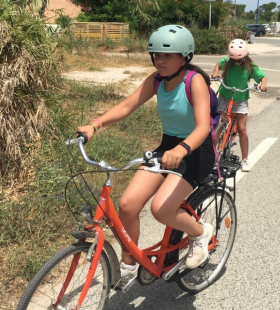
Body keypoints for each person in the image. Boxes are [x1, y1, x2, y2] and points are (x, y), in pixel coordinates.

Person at [77, 25, 215, 286]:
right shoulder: (157, 80)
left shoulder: (193, 80)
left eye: (168, 55)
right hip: (167, 147)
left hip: (196, 151)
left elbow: (202, 128)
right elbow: (127, 105)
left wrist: (182, 149)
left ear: (185, 57)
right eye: (157, 55)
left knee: (161, 210)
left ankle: (199, 232)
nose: (160, 61)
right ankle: (129, 264)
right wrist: (95, 124)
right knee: (128, 205)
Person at [211, 39, 267, 172]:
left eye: (239, 60)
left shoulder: (250, 66)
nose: (236, 62)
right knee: (218, 124)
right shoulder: (227, 61)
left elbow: (262, 77)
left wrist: (263, 85)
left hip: (241, 99)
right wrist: (215, 72)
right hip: (225, 95)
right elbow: (218, 63)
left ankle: (245, 159)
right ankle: (212, 156)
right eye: (234, 60)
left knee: (242, 129)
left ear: (245, 56)